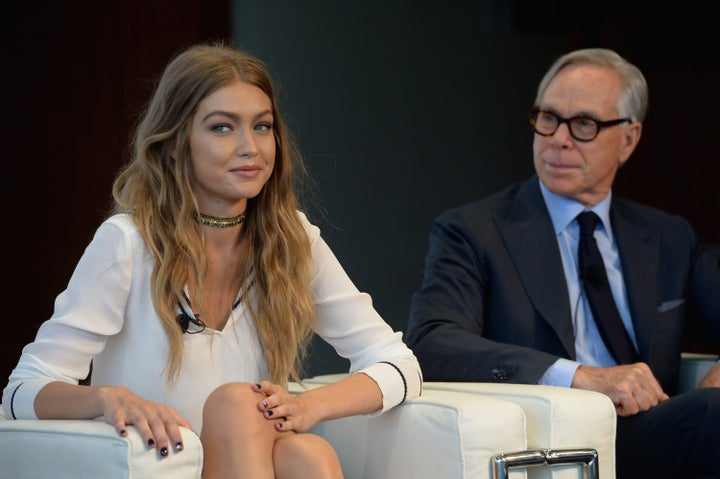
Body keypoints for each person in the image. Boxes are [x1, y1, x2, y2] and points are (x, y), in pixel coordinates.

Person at [2, 42, 422, 479]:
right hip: (164, 466)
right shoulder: (128, 242)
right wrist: (107, 398)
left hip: (249, 461)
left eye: (262, 127)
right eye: (222, 128)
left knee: (308, 453)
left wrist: (306, 405)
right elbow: (22, 390)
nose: (250, 148)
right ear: (176, 142)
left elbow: (399, 365)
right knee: (239, 403)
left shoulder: (292, 239)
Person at [405, 48, 719, 479]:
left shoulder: (668, 237)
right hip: (554, 439)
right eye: (548, 118)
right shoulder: (474, 230)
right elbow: (431, 340)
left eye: (584, 125)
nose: (558, 139)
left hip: (654, 431)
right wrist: (578, 376)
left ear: (628, 138)